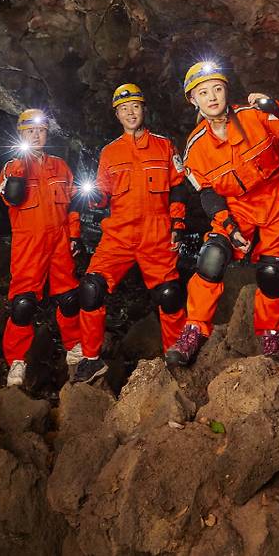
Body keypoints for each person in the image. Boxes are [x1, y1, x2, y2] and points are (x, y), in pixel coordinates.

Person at [165, 61, 279, 366]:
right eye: (203, 92)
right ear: (193, 100)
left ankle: (270, 337)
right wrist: (229, 225)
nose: (212, 97)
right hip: (236, 207)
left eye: (217, 89)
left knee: (273, 273)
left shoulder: (255, 115)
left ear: (227, 91)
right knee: (211, 258)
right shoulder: (196, 147)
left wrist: (278, 108)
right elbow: (207, 194)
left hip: (276, 202)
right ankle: (193, 331)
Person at [72, 83, 187, 384]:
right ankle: (92, 358)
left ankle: (176, 355)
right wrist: (90, 197)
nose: (130, 112)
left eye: (135, 106)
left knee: (170, 294)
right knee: (91, 289)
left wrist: (178, 224)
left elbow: (177, 188)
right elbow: (102, 196)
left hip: (156, 233)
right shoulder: (110, 153)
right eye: (124, 109)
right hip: (119, 235)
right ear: (117, 115)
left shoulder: (164, 146)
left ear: (143, 109)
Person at [0, 109, 82, 388]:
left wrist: (75, 236)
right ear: (21, 133)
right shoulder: (11, 167)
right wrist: (21, 166)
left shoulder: (60, 166)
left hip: (59, 240)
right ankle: (17, 361)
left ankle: (75, 350)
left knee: (69, 298)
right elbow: (13, 197)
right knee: (23, 304)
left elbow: (72, 206)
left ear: (47, 133)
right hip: (28, 243)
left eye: (41, 130)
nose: (36, 135)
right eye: (30, 131)